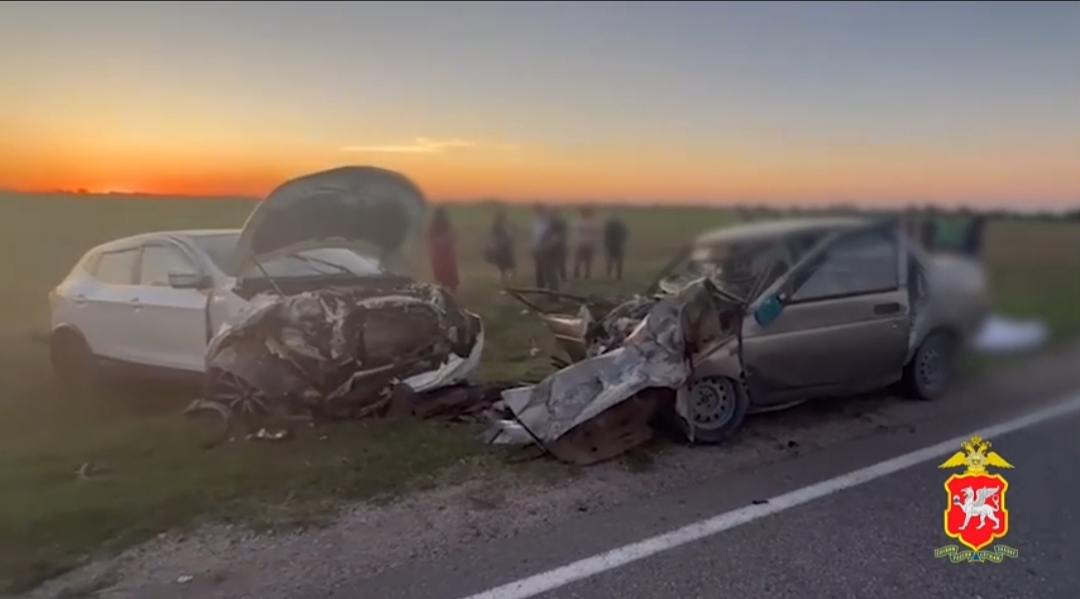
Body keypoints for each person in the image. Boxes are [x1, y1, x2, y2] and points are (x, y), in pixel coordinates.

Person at [426, 206, 459, 294]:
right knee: (448, 282)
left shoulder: (434, 227)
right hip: (445, 259)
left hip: (441, 259)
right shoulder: (446, 227)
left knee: (442, 281)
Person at [484, 208, 516, 284]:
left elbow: (510, 238)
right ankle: (505, 283)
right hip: (501, 251)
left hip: (504, 250)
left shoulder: (504, 227)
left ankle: (508, 282)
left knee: (506, 268)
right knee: (503, 268)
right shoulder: (498, 227)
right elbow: (493, 237)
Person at [572, 206, 600, 279]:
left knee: (578, 260)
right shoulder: (593, 221)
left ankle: (576, 274)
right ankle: (587, 274)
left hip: (580, 242)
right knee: (588, 260)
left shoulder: (579, 220)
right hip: (590, 242)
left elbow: (575, 230)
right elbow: (596, 231)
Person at [531, 204, 552, 290]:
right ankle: (540, 286)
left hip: (544, 249)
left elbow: (546, 236)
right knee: (538, 269)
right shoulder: (537, 223)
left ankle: (545, 286)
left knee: (545, 268)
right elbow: (534, 236)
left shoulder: (546, 224)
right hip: (537, 248)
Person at [603, 212, 628, 280]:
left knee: (610, 261)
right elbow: (625, 234)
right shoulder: (620, 225)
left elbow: (606, 234)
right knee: (619, 261)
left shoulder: (609, 225)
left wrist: (606, 243)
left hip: (610, 244)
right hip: (618, 244)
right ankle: (619, 275)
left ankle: (608, 275)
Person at [548, 208, 569, 282]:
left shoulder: (552, 222)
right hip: (561, 244)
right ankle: (562, 276)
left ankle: (556, 276)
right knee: (561, 262)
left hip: (554, 244)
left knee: (554, 262)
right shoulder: (562, 222)